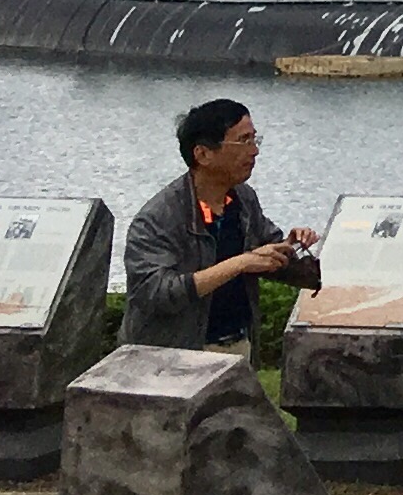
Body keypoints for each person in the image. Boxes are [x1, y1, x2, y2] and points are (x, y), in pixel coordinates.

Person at [124, 100, 323, 352]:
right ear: (203, 154)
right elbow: (156, 294)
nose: (254, 151)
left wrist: (291, 246)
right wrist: (240, 263)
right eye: (243, 141)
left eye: (255, 139)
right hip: (174, 353)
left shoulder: (243, 198)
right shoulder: (157, 218)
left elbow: (265, 252)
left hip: (239, 344)